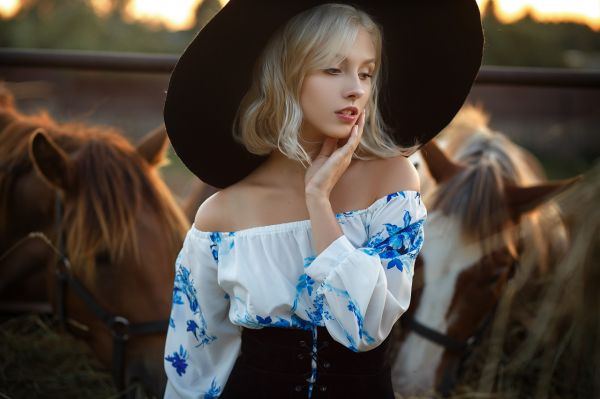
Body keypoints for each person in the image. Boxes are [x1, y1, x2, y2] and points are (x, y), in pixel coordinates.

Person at [162, 1, 483, 398]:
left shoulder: (392, 183)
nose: (356, 88)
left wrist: (319, 201)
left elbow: (365, 328)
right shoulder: (220, 217)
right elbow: (193, 365)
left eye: (366, 72)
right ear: (285, 75)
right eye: (333, 69)